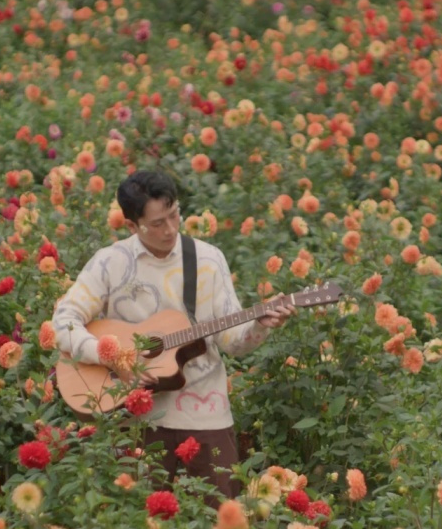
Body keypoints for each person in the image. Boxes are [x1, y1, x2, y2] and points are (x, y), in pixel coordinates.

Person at [51, 170, 295, 500]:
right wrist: (106, 353)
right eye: (157, 223)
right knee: (136, 527)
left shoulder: (207, 260)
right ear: (132, 226)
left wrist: (258, 325)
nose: (170, 229)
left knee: (221, 519)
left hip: (206, 415)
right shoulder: (109, 263)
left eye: (174, 215)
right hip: (133, 421)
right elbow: (65, 320)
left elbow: (232, 343)